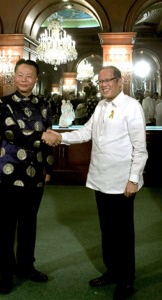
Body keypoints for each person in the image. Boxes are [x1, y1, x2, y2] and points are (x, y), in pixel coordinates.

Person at [42, 66, 148, 300]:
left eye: (108, 80)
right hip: (101, 180)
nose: (103, 85)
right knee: (108, 231)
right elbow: (84, 133)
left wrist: (133, 180)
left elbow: (140, 149)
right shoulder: (101, 106)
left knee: (123, 234)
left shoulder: (132, 107)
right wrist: (59, 137)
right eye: (100, 82)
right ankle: (112, 272)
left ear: (119, 81)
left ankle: (126, 279)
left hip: (122, 183)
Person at [0, 59, 55, 295]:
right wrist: (45, 138)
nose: (24, 79)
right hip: (10, 174)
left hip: (36, 175)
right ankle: (6, 274)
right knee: (7, 226)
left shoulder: (45, 104)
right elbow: (13, 133)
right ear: (14, 76)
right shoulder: (3, 103)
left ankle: (26, 267)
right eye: (20, 74)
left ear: (35, 79)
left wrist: (48, 169)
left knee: (29, 224)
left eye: (29, 76)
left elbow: (48, 142)